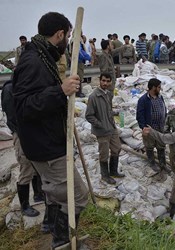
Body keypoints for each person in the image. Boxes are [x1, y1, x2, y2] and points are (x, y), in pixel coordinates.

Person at [12, 12, 88, 248]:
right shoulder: (33, 61)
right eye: (66, 36)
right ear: (60, 34)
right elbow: (23, 106)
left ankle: (54, 229)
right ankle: (62, 242)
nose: (67, 41)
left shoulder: (40, 54)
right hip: (47, 147)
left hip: (45, 141)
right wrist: (60, 91)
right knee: (78, 196)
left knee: (55, 193)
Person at [1, 80, 44, 217]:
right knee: (26, 165)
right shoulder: (9, 90)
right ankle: (24, 205)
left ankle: (38, 193)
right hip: (21, 133)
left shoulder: (27, 85)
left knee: (37, 163)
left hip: (33, 131)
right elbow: (13, 116)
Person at [85, 73, 125, 184]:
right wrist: (100, 124)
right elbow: (89, 115)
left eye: (108, 81)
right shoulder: (94, 97)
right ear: (100, 81)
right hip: (102, 131)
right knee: (104, 154)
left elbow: (107, 111)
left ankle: (113, 171)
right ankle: (105, 175)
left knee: (116, 148)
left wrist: (115, 113)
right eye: (103, 81)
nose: (105, 83)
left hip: (111, 128)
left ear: (111, 82)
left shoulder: (108, 94)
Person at [136, 78, 170, 174]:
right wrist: (143, 127)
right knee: (149, 147)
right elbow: (139, 115)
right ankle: (152, 163)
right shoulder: (143, 100)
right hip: (149, 129)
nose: (160, 89)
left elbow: (164, 110)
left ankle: (163, 164)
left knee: (161, 147)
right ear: (153, 87)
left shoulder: (160, 97)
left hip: (160, 128)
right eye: (159, 87)